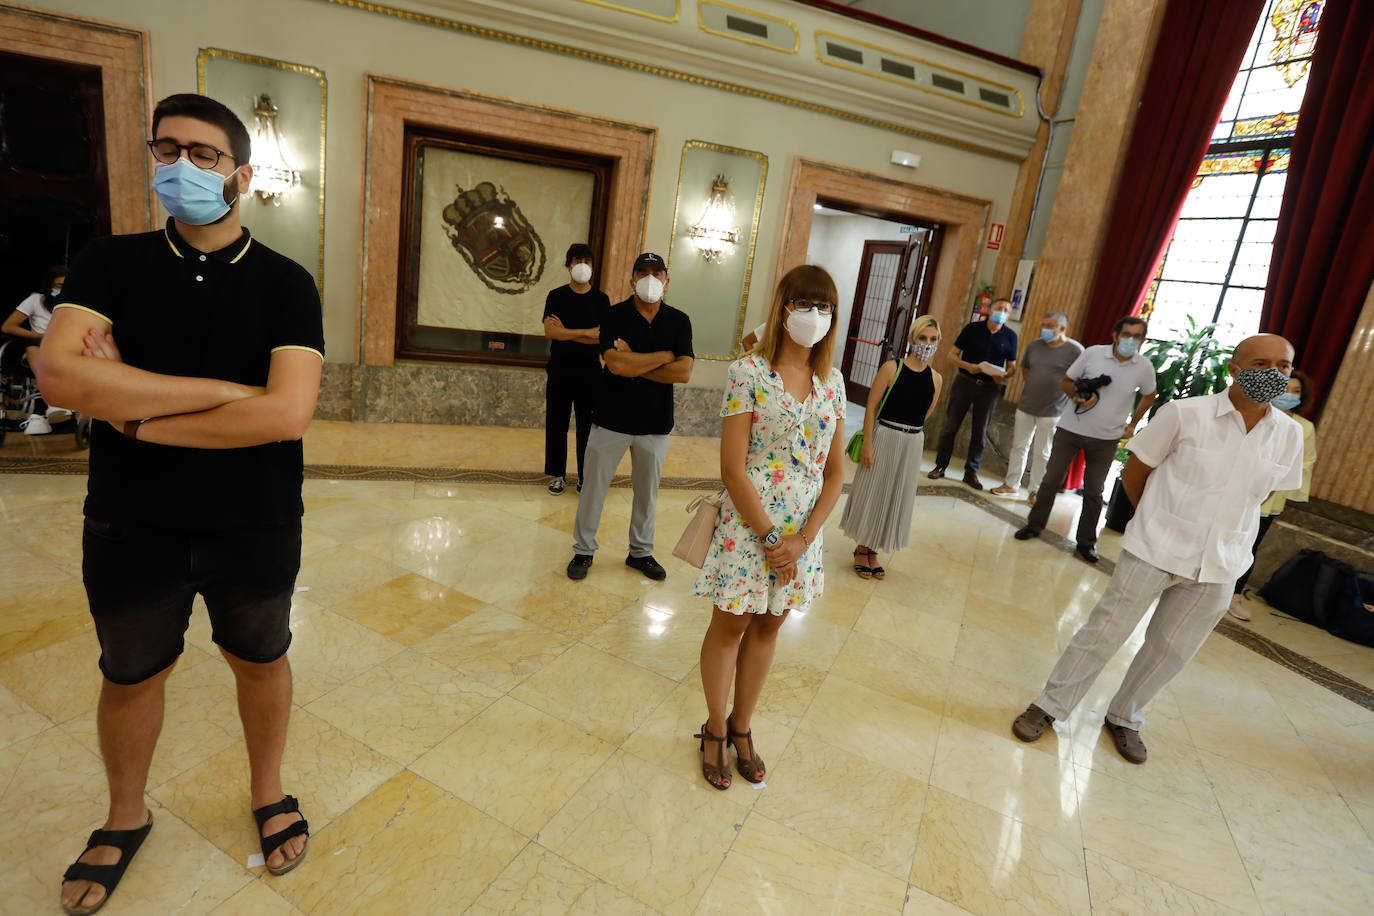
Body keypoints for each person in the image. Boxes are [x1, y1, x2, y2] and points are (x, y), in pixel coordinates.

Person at [37, 93, 321, 914]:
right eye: (167, 149)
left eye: (203, 154)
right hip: (133, 521)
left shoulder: (285, 282)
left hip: (256, 519)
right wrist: (228, 393)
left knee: (261, 660)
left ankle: (268, 790)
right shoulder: (109, 263)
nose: (182, 166)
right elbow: (59, 376)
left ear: (242, 175)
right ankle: (125, 815)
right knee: (131, 673)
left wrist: (131, 411)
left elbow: (286, 416)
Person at [1010, 334, 1303, 764]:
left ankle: (1125, 716)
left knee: (1172, 650)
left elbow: (1262, 496)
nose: (1274, 373)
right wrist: (1160, 518)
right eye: (1262, 363)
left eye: (1284, 366)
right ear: (1234, 370)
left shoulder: (1289, 434)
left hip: (1221, 563)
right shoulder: (1186, 413)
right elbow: (1135, 472)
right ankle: (1049, 706)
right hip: (1156, 547)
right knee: (1104, 633)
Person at [694, 265, 847, 789]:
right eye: (805, 304)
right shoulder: (749, 373)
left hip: (803, 536)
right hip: (749, 526)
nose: (815, 315)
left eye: (825, 307)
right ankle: (714, 729)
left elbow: (836, 473)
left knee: (767, 627)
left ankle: (741, 727)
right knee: (731, 626)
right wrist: (771, 537)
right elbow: (732, 468)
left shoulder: (832, 383)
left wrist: (802, 540)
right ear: (783, 308)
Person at [567, 252, 693, 581]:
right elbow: (615, 364)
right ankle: (583, 550)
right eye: (643, 272)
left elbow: (683, 372)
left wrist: (634, 362)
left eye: (657, 272)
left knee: (647, 493)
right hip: (611, 418)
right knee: (594, 488)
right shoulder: (613, 315)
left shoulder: (679, 320)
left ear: (666, 280)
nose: (650, 278)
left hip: (655, 423)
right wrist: (663, 356)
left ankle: (640, 552)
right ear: (632, 279)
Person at [1014, 316, 1156, 563]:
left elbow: (1150, 395)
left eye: (1136, 336)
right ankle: (1034, 525)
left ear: (1143, 340)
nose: (1130, 340)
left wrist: (1133, 423)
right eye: (1126, 335)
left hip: (1106, 438)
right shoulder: (1092, 354)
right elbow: (1066, 381)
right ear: (1115, 335)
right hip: (1070, 430)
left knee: (1093, 491)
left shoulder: (1143, 367)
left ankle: (1086, 543)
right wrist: (1077, 397)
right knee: (1050, 480)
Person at [840, 314, 944, 579]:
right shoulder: (891, 368)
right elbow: (871, 406)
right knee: (873, 490)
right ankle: (862, 546)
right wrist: (868, 442)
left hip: (912, 442)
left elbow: (926, 413)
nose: (927, 344)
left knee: (896, 494)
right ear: (911, 339)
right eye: (922, 338)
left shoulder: (936, 378)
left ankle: (874, 548)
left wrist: (910, 434)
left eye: (933, 339)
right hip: (885, 435)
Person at [1229, 369, 1317, 620]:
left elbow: (1306, 460)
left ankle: (1234, 596)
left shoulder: (1304, 427)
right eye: (1286, 389)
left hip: (1272, 495)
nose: (1290, 395)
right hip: (1240, 488)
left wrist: (1278, 473)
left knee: (1250, 546)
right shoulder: (1256, 415)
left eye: (1296, 391)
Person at [990, 311, 1082, 501]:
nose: (1044, 329)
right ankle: (1011, 485)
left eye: (1050, 326)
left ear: (1062, 328)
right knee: (1018, 447)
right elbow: (1025, 369)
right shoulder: (1034, 345)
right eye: (1044, 325)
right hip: (1026, 405)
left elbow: (1081, 378)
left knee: (1043, 453)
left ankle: (1035, 491)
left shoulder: (1075, 350)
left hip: (1053, 410)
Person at [928, 299, 1018, 489]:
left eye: (1006, 310)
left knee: (980, 432)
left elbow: (1012, 367)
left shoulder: (1010, 336)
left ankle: (971, 472)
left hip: (989, 389)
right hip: (965, 382)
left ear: (1009, 315)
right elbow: (952, 355)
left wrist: (1004, 375)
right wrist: (968, 366)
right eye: (999, 308)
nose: (1002, 312)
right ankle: (940, 466)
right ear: (990, 310)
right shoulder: (972, 329)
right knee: (951, 427)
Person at [542, 243, 609, 495]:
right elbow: (551, 332)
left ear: (593, 266)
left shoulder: (601, 300)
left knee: (587, 428)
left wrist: (567, 333)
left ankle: (585, 476)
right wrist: (586, 333)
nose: (582, 266)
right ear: (568, 265)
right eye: (577, 260)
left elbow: (602, 337)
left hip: (590, 372)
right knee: (556, 423)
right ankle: (557, 474)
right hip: (559, 369)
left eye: (587, 261)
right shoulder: (556, 296)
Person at [2, 265, 72, 434]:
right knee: (34, 345)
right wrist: (40, 335)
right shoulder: (36, 300)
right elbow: (8, 326)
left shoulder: (74, 301)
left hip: (66, 344)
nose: (62, 289)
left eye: (66, 285)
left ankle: (54, 405)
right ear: (50, 285)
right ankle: (52, 403)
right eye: (59, 285)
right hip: (39, 344)